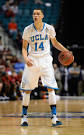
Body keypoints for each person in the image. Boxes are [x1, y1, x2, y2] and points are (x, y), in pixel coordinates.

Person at [20, 8, 71, 127]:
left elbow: (55, 43)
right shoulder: (27, 30)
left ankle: (54, 117)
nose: (35, 15)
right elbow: (24, 47)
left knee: (51, 88)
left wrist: (66, 51)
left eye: (38, 14)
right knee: (27, 89)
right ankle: (24, 117)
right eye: (34, 14)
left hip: (46, 60)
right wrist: (26, 58)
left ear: (42, 16)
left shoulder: (49, 28)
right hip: (32, 60)